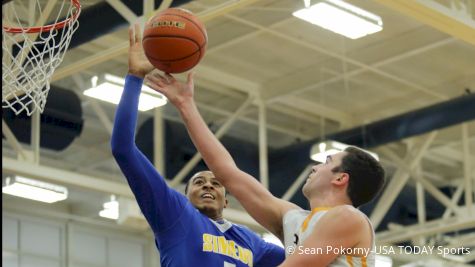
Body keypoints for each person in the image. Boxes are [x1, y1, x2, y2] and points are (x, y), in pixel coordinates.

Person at [144, 67, 386, 266]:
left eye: (327, 162)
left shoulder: (348, 217)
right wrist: (185, 105)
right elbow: (228, 174)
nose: (315, 167)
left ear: (340, 179)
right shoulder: (294, 219)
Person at [110, 24, 286, 267]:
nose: (208, 186)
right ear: (185, 195)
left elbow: (315, 256)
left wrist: (347, 241)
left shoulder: (251, 242)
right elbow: (123, 149)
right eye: (199, 182)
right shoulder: (175, 213)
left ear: (227, 200)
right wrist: (134, 77)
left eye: (216, 183)